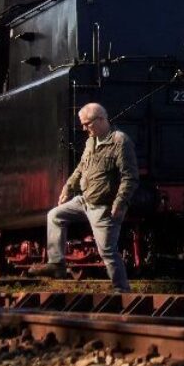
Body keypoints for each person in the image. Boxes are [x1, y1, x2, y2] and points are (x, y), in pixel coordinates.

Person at [37, 103, 137, 292]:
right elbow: (81, 167)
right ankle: (57, 264)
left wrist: (120, 202)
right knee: (55, 215)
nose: (83, 128)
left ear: (101, 119)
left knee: (107, 251)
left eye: (86, 124)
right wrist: (68, 187)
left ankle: (122, 290)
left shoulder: (120, 142)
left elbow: (129, 177)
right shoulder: (91, 141)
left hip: (104, 206)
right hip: (84, 201)